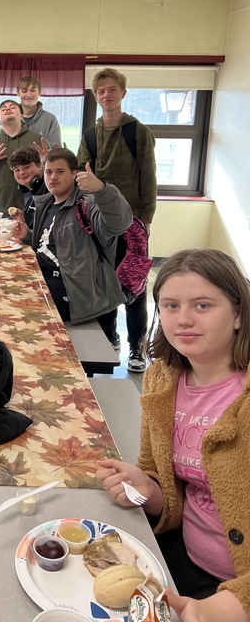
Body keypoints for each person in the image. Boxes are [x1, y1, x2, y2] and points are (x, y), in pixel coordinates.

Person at [97, 249, 250, 622]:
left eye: (202, 305)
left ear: (238, 315)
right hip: (182, 556)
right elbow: (160, 477)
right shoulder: (163, 378)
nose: (183, 320)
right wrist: (148, 491)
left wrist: (226, 607)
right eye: (169, 305)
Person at [77, 67, 157, 373]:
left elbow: (148, 177)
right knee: (103, 281)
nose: (106, 95)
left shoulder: (137, 132)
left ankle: (137, 346)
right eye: (100, 91)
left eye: (112, 89)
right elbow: (82, 176)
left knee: (134, 284)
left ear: (123, 93)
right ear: (95, 97)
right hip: (98, 223)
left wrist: (147, 217)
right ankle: (109, 337)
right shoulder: (89, 135)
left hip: (133, 223)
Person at [11, 147, 131, 345]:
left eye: (60, 172)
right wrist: (27, 236)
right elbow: (51, 244)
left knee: (20, 310)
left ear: (74, 174)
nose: (53, 177)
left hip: (74, 290)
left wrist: (102, 189)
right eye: (49, 172)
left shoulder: (87, 204)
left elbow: (120, 222)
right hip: (43, 276)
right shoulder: (46, 203)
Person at [0, 99, 43, 216]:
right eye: (3, 109)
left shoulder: (38, 141)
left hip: (33, 208)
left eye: (12, 107)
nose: (8, 109)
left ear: (21, 116)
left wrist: (46, 163)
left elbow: (50, 175)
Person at [7, 145, 46, 228]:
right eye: (17, 170)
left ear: (39, 166)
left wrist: (49, 166)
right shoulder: (28, 192)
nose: (21, 172)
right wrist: (25, 218)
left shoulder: (47, 186)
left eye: (26, 167)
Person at [16, 75, 62, 148]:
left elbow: (56, 151)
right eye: (24, 91)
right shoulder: (10, 117)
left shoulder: (50, 119)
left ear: (39, 93)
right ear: (18, 93)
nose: (28, 95)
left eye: (33, 90)